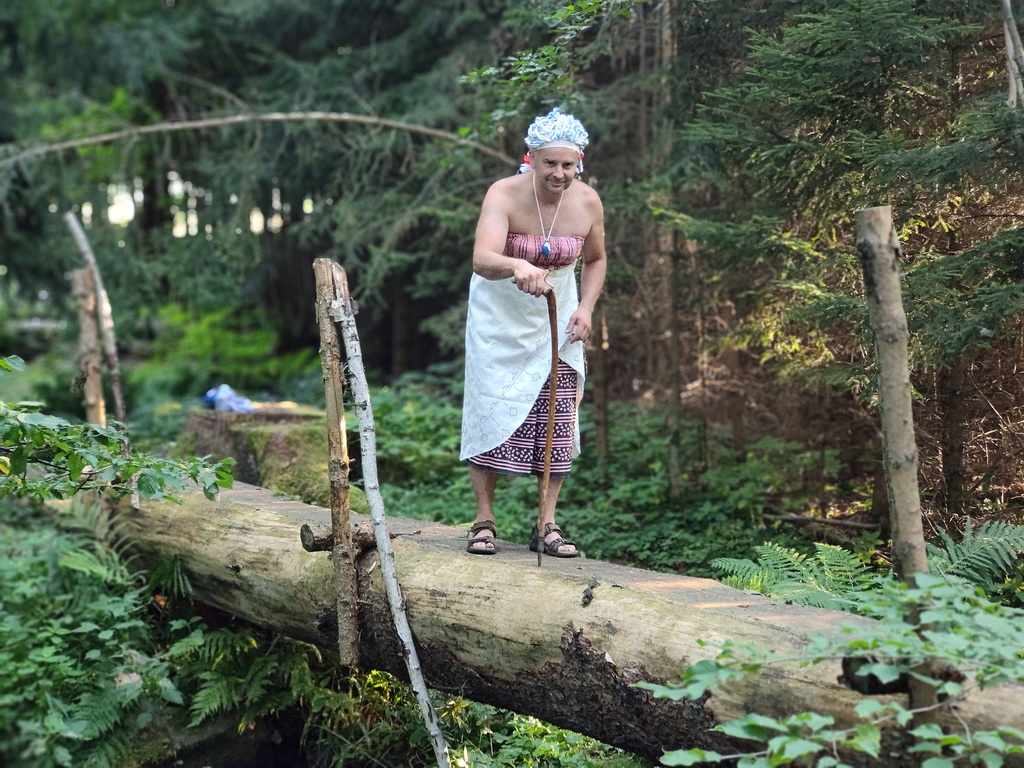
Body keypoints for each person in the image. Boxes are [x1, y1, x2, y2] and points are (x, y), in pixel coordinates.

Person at [460, 107, 607, 557]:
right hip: (499, 320)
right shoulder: (503, 193)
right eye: (550, 163)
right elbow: (482, 258)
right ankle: (484, 520)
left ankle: (546, 522)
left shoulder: (588, 201)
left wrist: (585, 308)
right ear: (531, 158)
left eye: (568, 164)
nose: (559, 173)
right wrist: (516, 264)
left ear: (579, 163)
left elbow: (596, 259)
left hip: (557, 318)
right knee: (492, 410)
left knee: (557, 416)